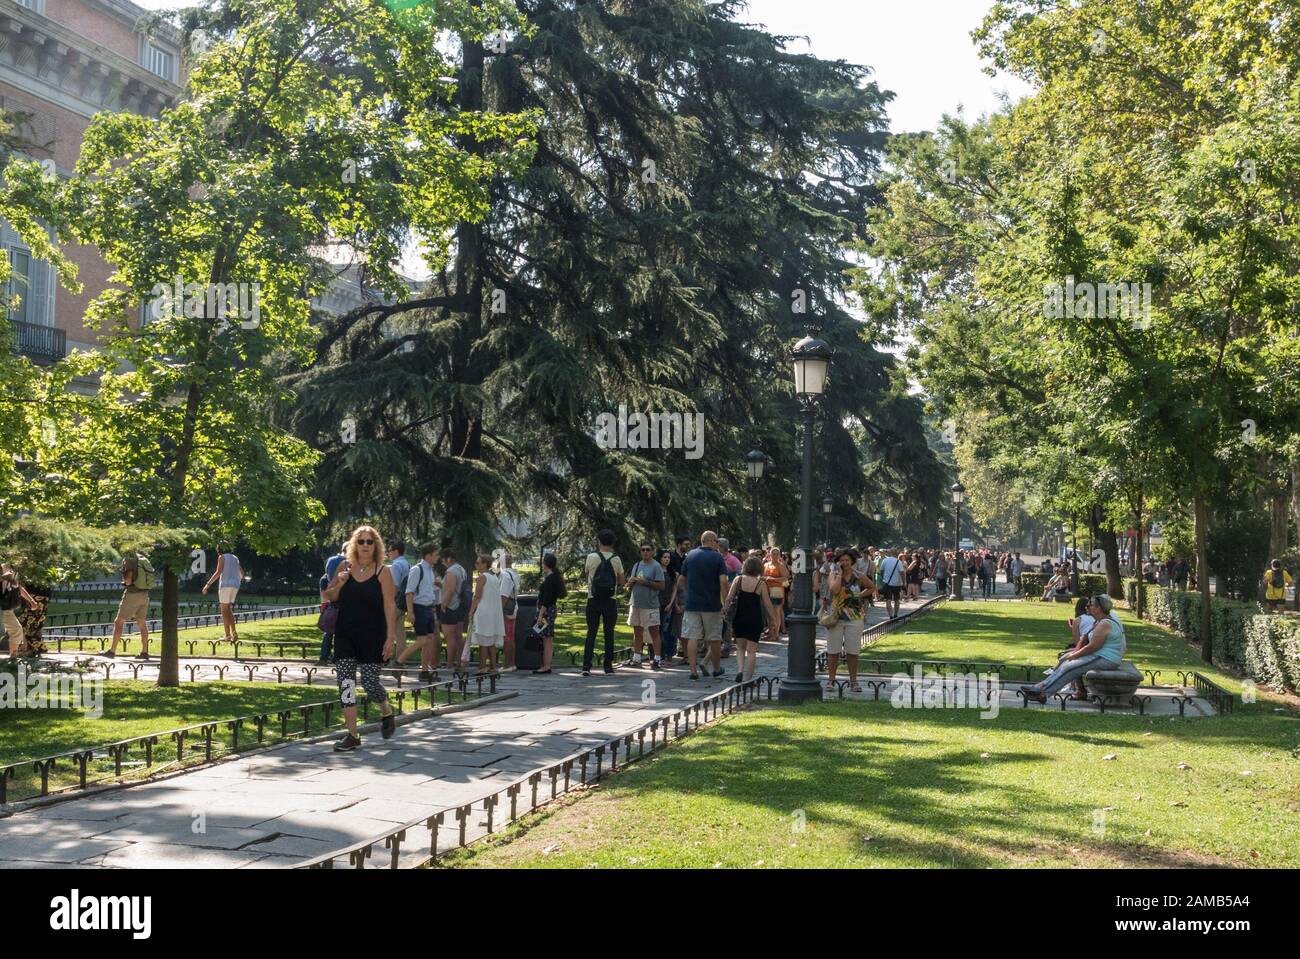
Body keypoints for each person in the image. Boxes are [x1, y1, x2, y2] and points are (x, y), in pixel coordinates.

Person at [322, 526, 397, 751]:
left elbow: (389, 606)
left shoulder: (383, 571)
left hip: (373, 636)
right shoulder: (345, 567)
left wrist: (390, 637)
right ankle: (352, 734)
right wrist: (341, 583)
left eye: (370, 542)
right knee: (346, 683)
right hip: (345, 634)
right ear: (355, 544)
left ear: (376, 546)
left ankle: (386, 710)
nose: (365, 546)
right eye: (361, 541)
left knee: (369, 682)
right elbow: (329, 595)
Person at [1022, 594, 1126, 703]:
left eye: (1089, 605)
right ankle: (1041, 688)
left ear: (1098, 608)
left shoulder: (1105, 623)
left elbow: (1093, 647)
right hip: (1100, 656)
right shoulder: (1099, 622)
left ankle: (1041, 692)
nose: (1087, 607)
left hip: (1105, 659)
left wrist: (1075, 655)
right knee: (1067, 665)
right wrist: (1073, 654)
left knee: (1069, 667)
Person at [678, 530, 729, 680]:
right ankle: (717, 669)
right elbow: (723, 581)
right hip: (712, 605)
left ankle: (693, 671)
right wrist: (725, 602)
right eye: (717, 542)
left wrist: (687, 594)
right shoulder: (717, 557)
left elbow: (681, 580)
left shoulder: (690, 556)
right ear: (712, 541)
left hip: (692, 604)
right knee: (714, 638)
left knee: (693, 637)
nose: (718, 545)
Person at [824, 548, 871, 692]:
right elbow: (834, 590)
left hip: (854, 617)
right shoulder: (833, 575)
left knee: (852, 652)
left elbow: (871, 587)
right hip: (836, 617)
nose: (844, 563)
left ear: (852, 562)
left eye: (847, 560)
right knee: (833, 651)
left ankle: (853, 681)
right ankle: (831, 680)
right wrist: (838, 574)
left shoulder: (859, 575)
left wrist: (859, 596)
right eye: (842, 560)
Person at [396, 543, 441, 681]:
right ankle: (398, 662)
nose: (438, 557)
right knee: (422, 640)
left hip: (428, 608)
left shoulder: (430, 570)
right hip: (419, 607)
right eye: (435, 554)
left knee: (429, 640)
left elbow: (427, 589)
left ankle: (424, 671)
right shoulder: (417, 570)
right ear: (428, 556)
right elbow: (409, 592)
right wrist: (410, 612)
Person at [582, 529, 625, 676]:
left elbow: (587, 575)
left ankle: (586, 666)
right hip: (610, 600)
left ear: (599, 541)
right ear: (612, 543)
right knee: (609, 633)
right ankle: (608, 667)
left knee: (591, 632)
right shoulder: (616, 559)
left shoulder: (591, 557)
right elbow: (621, 580)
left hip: (593, 599)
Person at [727, 555, 774, 683]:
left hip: (739, 617)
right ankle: (748, 678)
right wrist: (773, 620)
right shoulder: (761, 584)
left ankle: (740, 671)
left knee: (740, 647)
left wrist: (725, 610)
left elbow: (729, 597)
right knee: (752, 651)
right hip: (755, 619)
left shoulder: (739, 579)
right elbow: (767, 604)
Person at [105, 550, 154, 659]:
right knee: (142, 622)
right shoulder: (142, 558)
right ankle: (144, 652)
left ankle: (112, 651)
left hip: (132, 595)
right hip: (144, 595)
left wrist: (124, 580)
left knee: (119, 621)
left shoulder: (130, 560)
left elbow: (128, 580)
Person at [626, 543, 665, 669]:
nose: (645, 552)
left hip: (650, 605)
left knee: (654, 632)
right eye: (643, 550)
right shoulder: (637, 565)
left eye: (648, 550)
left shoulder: (656, 566)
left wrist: (646, 582)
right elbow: (630, 584)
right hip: (636, 603)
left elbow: (661, 586)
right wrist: (630, 582)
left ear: (652, 552)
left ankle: (657, 659)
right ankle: (637, 657)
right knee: (637, 632)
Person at [468, 554, 505, 673]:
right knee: (491, 641)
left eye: (478, 563)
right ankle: (494, 666)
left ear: (485, 564)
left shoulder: (482, 577)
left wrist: (471, 611)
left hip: (483, 612)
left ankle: (483, 666)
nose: (476, 565)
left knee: (483, 641)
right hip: (493, 612)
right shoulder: (494, 577)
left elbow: (477, 597)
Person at [200, 545, 243, 645]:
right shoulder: (235, 558)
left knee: (224, 610)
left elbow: (218, 572)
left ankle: (227, 635)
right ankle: (234, 633)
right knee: (228, 609)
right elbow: (242, 574)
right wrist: (235, 579)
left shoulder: (222, 557)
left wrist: (208, 584)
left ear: (220, 550)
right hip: (235, 585)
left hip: (225, 585)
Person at [532, 553, 565, 674]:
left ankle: (545, 665)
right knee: (548, 638)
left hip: (546, 611)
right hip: (550, 610)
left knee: (545, 638)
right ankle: (547, 664)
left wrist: (540, 615)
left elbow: (546, 599)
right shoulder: (555, 577)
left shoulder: (550, 579)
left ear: (545, 563)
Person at [439, 549, 470, 668]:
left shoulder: (451, 571)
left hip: (451, 607)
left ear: (448, 559)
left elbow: (450, 590)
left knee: (449, 636)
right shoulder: (461, 569)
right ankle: (460, 661)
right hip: (461, 606)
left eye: (443, 559)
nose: (442, 562)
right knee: (458, 635)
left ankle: (450, 663)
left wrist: (443, 604)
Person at [317, 544, 347, 665]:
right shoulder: (345, 563)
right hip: (342, 600)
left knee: (329, 631)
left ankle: (324, 657)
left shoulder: (330, 563)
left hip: (331, 603)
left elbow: (324, 592)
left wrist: (324, 605)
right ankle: (338, 657)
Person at [0, 564, 36, 660]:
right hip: (3, 610)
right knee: (15, 631)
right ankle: (13, 659)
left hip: (6, 609)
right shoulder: (5, 577)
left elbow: (19, 588)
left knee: (16, 631)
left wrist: (31, 601)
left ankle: (13, 658)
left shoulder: (11, 578)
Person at [385, 540, 411, 665]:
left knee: (387, 630)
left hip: (395, 602)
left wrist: (389, 602)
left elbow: (394, 586)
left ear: (396, 551)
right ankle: (400, 660)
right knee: (400, 633)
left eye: (389, 551)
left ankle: (387, 659)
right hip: (403, 601)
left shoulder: (396, 565)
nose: (387, 553)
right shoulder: (407, 563)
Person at [498, 552, 520, 670]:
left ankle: (507, 665)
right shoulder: (514, 574)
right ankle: (511, 663)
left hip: (506, 610)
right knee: (511, 638)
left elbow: (504, 595)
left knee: (507, 638)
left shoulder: (505, 575)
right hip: (513, 607)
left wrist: (499, 610)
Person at [656, 548, 680, 661]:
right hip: (656, 603)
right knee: (657, 629)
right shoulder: (656, 570)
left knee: (667, 630)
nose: (667, 559)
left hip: (668, 604)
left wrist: (671, 603)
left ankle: (668, 654)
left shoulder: (672, 573)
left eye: (668, 557)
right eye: (664, 557)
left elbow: (675, 589)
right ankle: (657, 654)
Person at [762, 547, 790, 638]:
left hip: (777, 590)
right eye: (773, 553)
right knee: (768, 612)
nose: (774, 555)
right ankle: (771, 632)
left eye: (776, 553)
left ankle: (776, 634)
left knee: (776, 612)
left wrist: (772, 579)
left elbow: (785, 578)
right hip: (766, 590)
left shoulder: (780, 565)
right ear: (769, 554)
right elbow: (762, 576)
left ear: (779, 555)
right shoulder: (766, 565)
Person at [877, 547, 905, 619]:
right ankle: (896, 614)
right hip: (896, 583)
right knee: (896, 600)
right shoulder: (898, 562)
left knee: (888, 600)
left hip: (887, 583)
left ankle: (890, 615)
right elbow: (902, 573)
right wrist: (903, 582)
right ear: (896, 553)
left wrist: (884, 578)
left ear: (889, 553)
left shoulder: (885, 560)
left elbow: (881, 571)